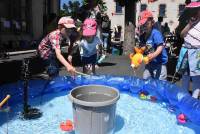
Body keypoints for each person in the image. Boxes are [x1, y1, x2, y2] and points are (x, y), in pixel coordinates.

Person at [178, 3, 200, 99]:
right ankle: (184, 98)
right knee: (185, 76)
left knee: (196, 78)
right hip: (186, 51)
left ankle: (194, 100)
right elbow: (182, 35)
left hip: (197, 52)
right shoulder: (188, 21)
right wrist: (190, 24)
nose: (194, 12)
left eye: (197, 10)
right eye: (193, 10)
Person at [138, 10, 168, 80]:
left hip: (160, 64)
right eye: (142, 24)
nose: (144, 25)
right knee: (145, 78)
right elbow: (143, 48)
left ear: (152, 22)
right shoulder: (143, 36)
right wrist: (138, 56)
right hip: (150, 63)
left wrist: (154, 55)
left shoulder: (155, 33)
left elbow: (160, 46)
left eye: (146, 23)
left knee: (159, 83)